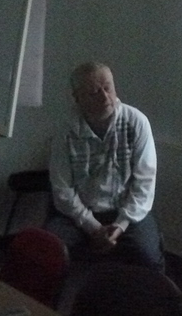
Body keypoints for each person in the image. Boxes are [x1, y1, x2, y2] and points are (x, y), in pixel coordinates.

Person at [46, 62, 164, 272]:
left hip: (126, 211)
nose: (105, 97)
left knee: (147, 255)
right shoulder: (65, 130)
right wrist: (93, 227)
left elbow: (144, 184)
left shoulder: (136, 122)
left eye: (108, 88)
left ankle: (156, 293)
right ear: (77, 98)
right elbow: (62, 190)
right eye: (94, 93)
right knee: (48, 252)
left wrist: (120, 225)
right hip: (78, 213)